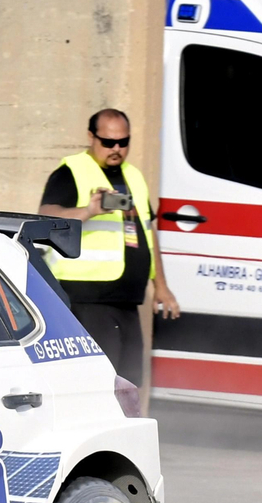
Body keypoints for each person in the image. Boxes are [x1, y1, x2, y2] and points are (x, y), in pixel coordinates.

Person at [38, 108, 180, 385]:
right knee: (98, 383)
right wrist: (89, 210)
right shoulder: (72, 171)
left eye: (123, 142)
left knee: (128, 383)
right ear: (91, 137)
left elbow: (148, 234)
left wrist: (160, 286)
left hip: (126, 299)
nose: (116, 149)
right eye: (108, 142)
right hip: (88, 298)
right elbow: (46, 216)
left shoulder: (134, 176)